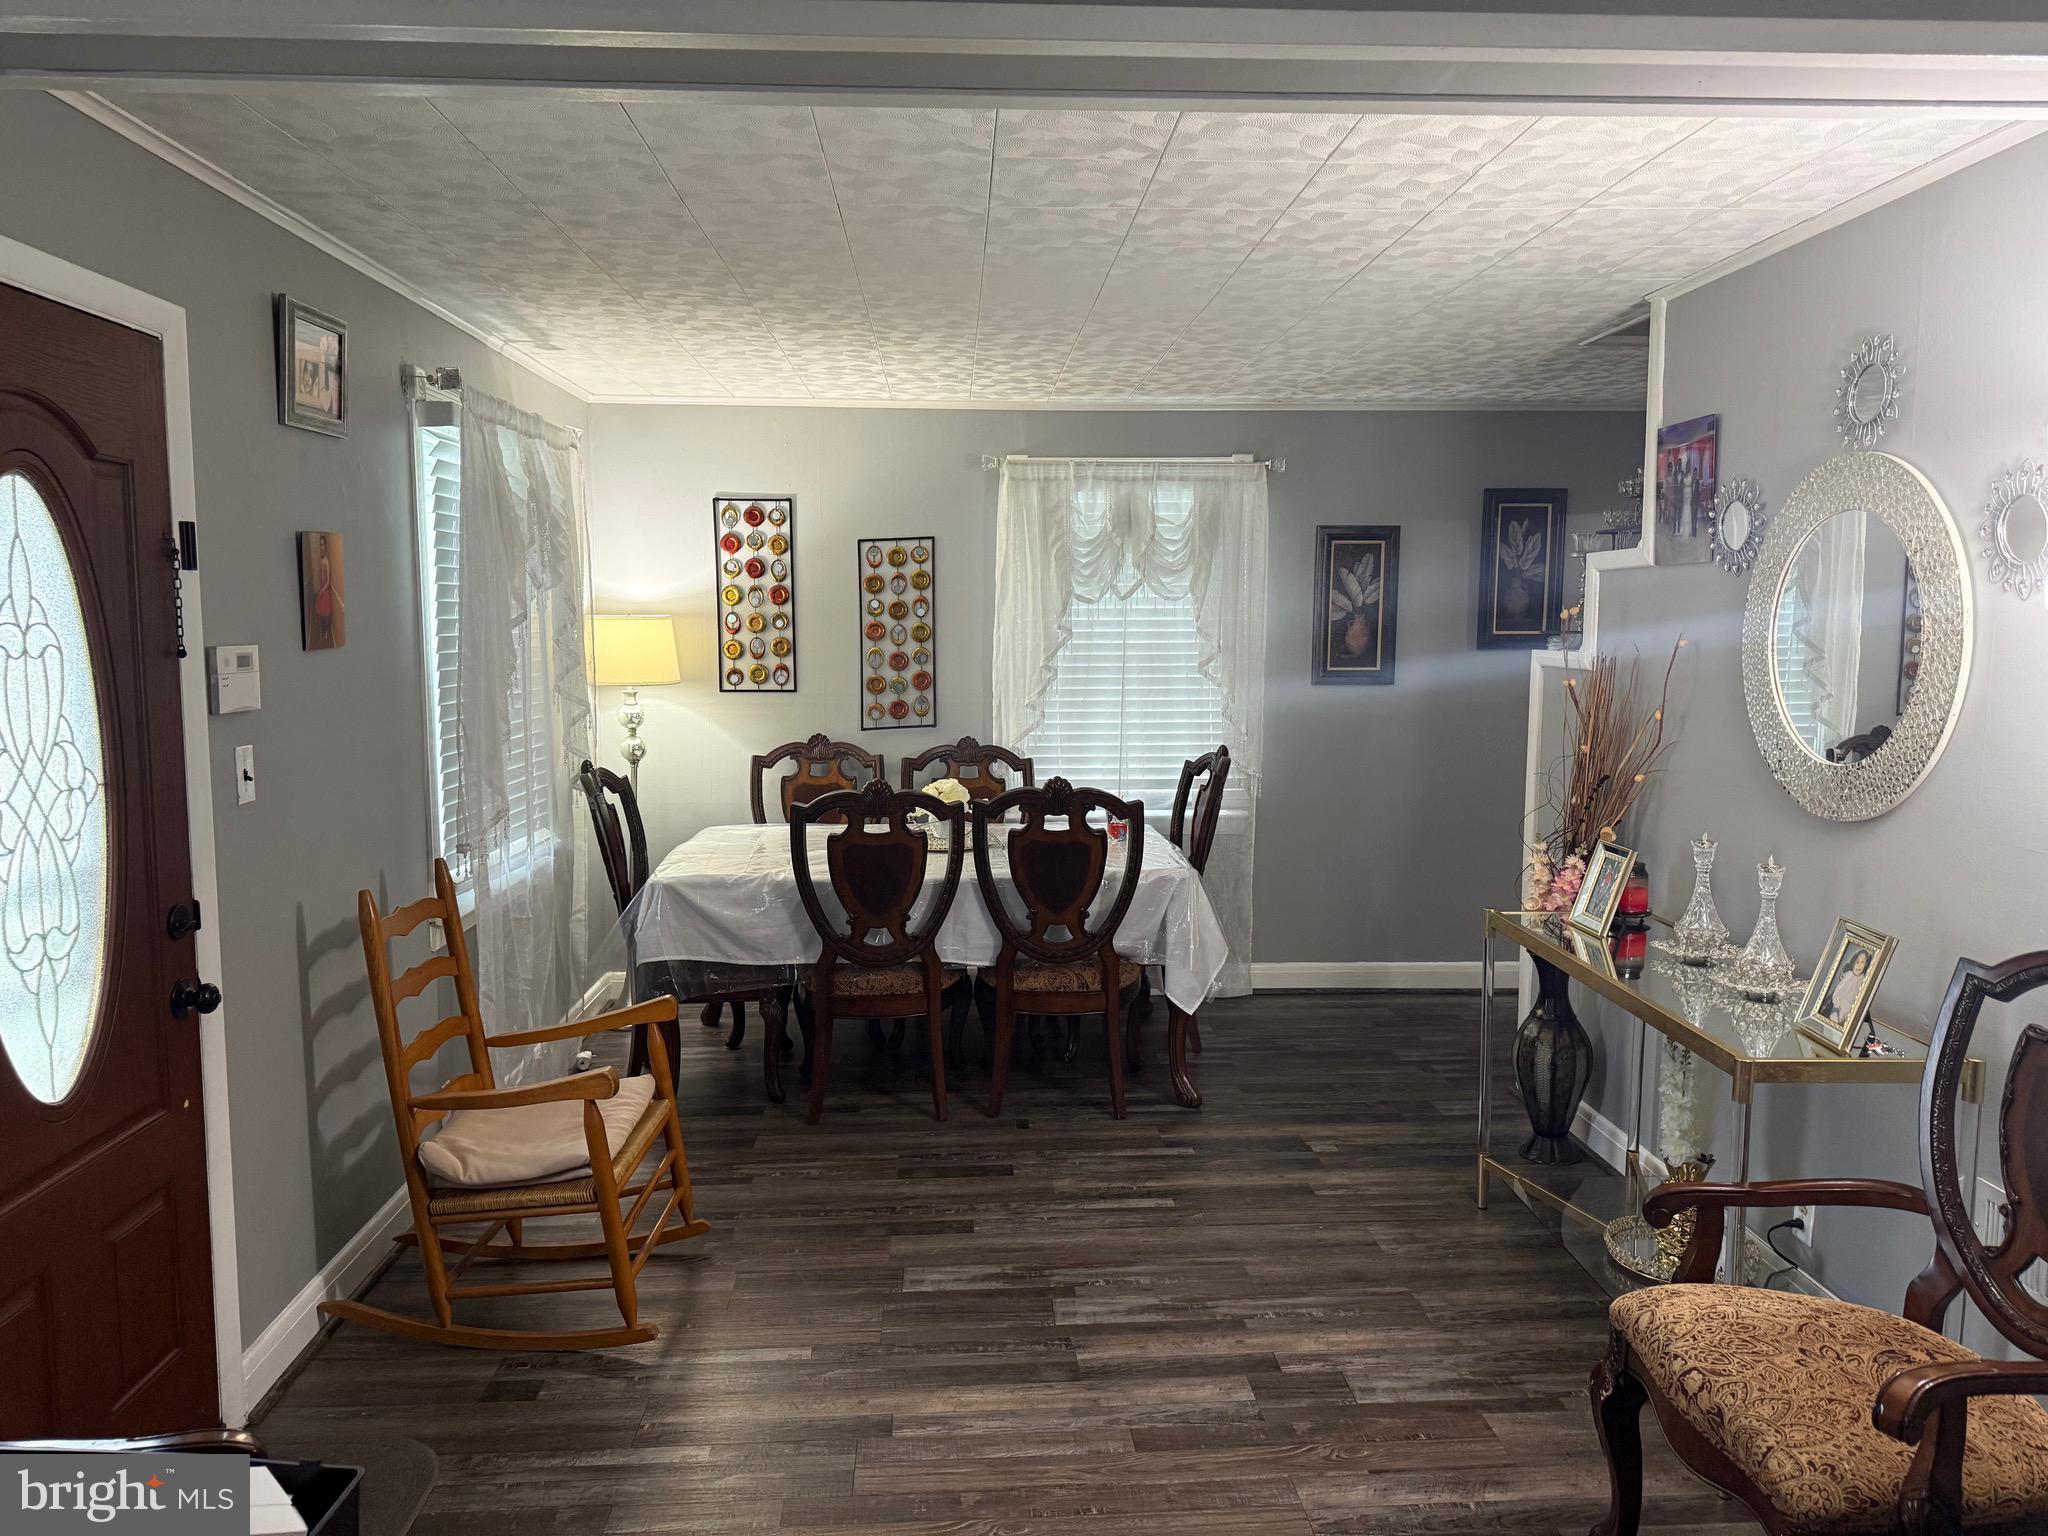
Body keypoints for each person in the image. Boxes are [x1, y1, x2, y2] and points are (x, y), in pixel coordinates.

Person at [310, 533, 342, 648]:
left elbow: (328, 579)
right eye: (320, 545)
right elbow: (320, 576)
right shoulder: (320, 559)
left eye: (323, 545)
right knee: (321, 613)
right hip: (321, 589)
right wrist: (319, 588)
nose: (321, 547)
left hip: (326, 590)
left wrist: (323, 590)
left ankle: (326, 633)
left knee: (326, 613)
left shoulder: (327, 561)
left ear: (326, 546)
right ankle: (323, 632)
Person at [1824, 946, 1871, 1023]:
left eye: (1863, 962)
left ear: (1866, 964)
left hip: (1850, 1013)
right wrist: (1836, 1009)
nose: (1859, 965)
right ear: (1853, 963)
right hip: (1838, 1009)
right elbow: (1837, 994)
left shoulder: (1863, 980)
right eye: (1857, 961)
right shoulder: (1848, 976)